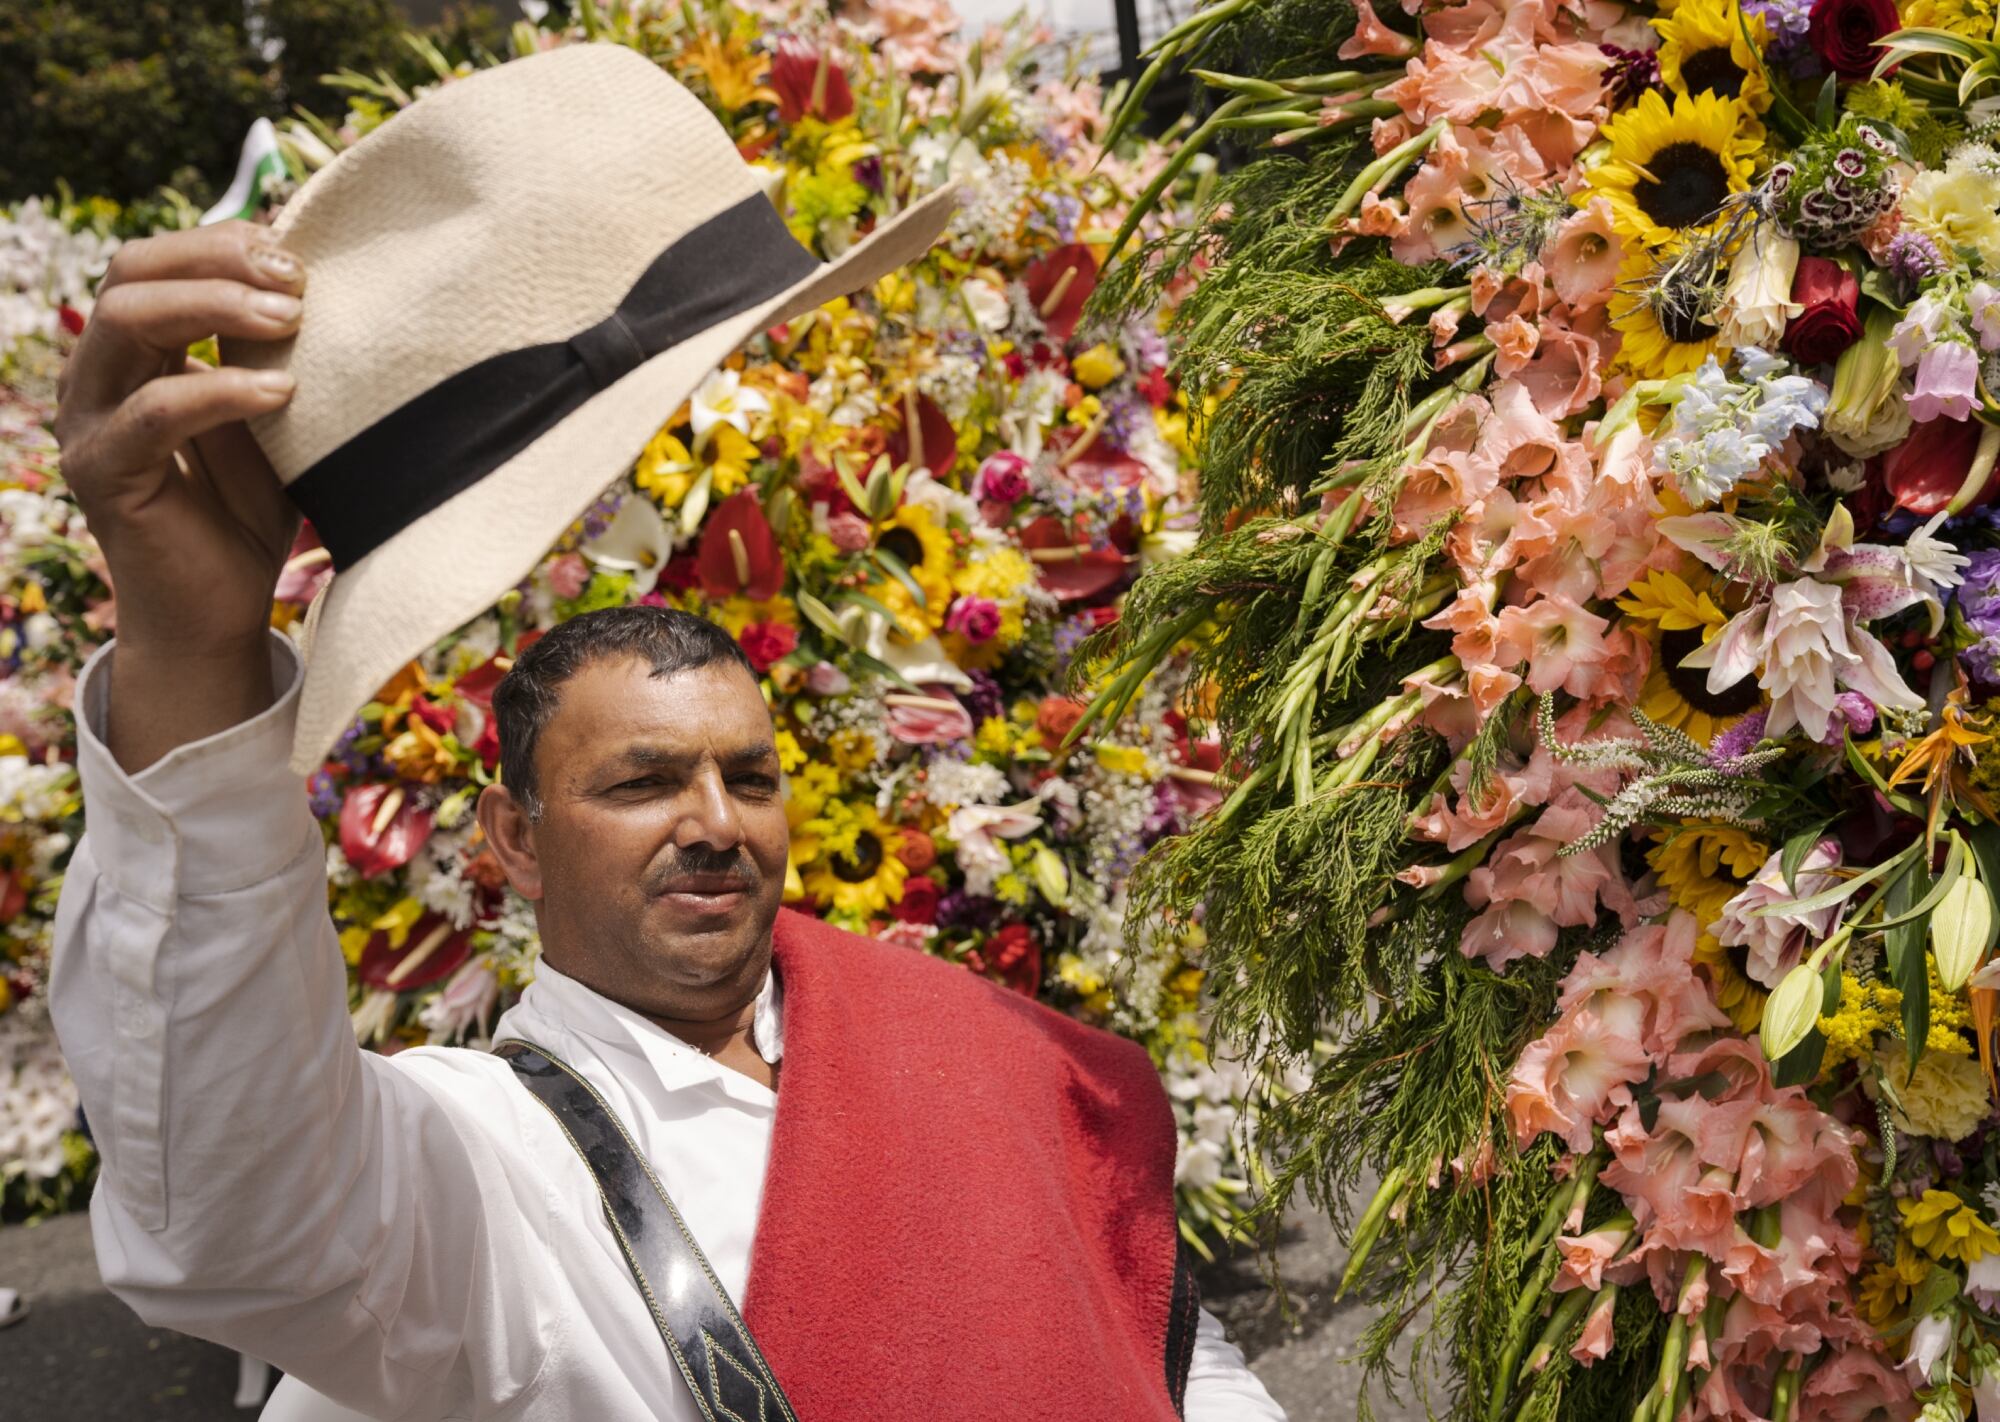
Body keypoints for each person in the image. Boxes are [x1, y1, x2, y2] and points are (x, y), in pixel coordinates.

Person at [44, 79, 1288, 1422]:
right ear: (510, 840)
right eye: (640, 780)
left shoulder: (969, 1045)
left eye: (747, 775)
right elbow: (237, 1215)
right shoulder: (479, 1168)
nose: (713, 819)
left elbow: (1171, 1349)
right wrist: (191, 657)